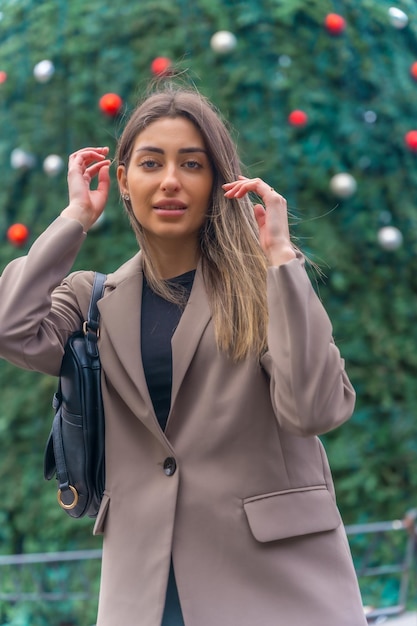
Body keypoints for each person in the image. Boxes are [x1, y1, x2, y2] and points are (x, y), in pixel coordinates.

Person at [0, 83, 367, 626]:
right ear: (123, 181)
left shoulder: (265, 288)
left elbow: (313, 411)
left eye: (191, 164)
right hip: (146, 585)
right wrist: (75, 217)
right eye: (151, 163)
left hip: (275, 583)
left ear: (218, 182)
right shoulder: (91, 299)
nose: (170, 181)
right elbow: (11, 328)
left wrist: (282, 261)